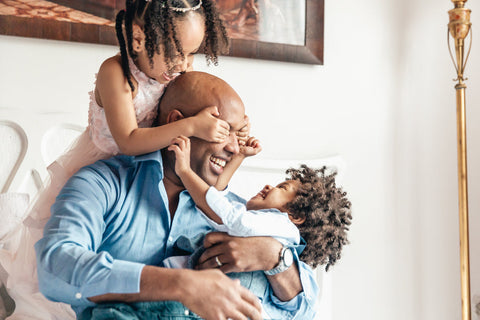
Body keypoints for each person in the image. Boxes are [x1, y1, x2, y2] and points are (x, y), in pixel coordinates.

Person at [35, 71, 319, 320]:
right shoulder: (104, 183)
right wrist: (181, 285)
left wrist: (275, 258)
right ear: (178, 123)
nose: (234, 148)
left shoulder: (235, 216)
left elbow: (304, 312)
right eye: (223, 131)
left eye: (238, 135)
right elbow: (55, 266)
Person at [166, 135, 352, 272]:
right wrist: (240, 157)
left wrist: (184, 171)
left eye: (282, 187)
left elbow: (227, 215)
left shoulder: (283, 226)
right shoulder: (268, 226)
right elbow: (217, 201)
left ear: (295, 215)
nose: (269, 186)